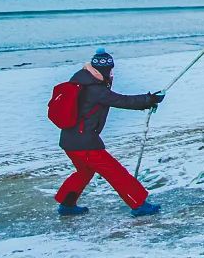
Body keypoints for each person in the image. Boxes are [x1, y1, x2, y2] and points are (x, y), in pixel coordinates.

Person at [54, 48, 166, 217]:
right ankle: (139, 205)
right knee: (116, 173)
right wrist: (150, 99)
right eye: (110, 70)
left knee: (84, 173)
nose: (112, 74)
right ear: (104, 70)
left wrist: (148, 100)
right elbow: (122, 100)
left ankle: (67, 204)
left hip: (70, 141)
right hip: (85, 143)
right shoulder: (95, 90)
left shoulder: (81, 81)